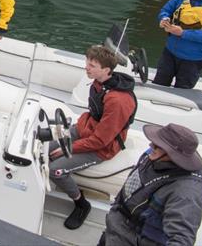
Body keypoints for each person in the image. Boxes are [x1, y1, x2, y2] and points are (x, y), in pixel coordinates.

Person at [48, 45, 137, 230]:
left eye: (92, 65)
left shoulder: (118, 100)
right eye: (87, 62)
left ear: (106, 70)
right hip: (84, 129)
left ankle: (81, 204)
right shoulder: (99, 82)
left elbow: (101, 140)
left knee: (55, 169)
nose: (87, 68)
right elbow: (93, 113)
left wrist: (69, 148)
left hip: (101, 147)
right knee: (44, 147)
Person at [101, 123, 202, 246]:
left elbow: (181, 239)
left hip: (132, 238)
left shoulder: (187, 192)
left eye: (157, 145)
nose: (151, 145)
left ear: (174, 155)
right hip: (115, 224)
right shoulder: (155, 154)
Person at [153, 0, 202, 89]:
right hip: (170, 53)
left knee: (182, 90)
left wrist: (183, 33)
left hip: (193, 60)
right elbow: (165, 10)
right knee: (159, 84)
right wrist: (164, 18)